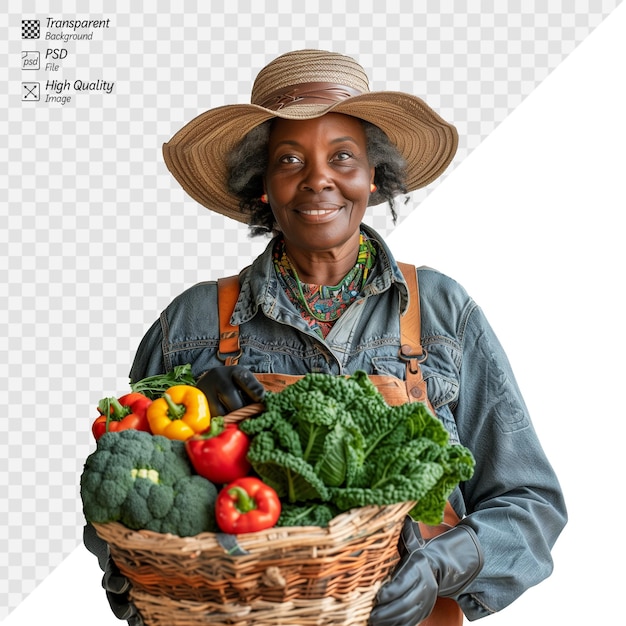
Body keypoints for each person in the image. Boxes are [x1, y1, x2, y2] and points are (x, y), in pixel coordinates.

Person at [85, 49, 567, 625]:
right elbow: (119, 501)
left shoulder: (440, 313)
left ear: (373, 177)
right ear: (262, 185)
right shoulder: (192, 326)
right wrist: (195, 412)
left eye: (343, 156)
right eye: (290, 159)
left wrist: (438, 566)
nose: (319, 178)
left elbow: (531, 504)